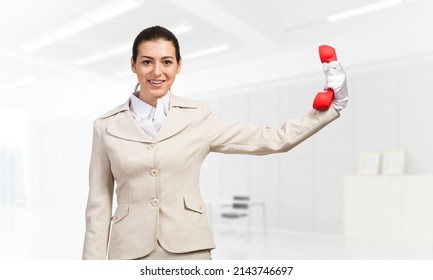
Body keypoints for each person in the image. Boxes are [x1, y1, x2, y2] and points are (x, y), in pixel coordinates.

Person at [82, 25, 348, 260]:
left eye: (166, 62)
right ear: (133, 65)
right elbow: (99, 204)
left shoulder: (197, 116)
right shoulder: (106, 125)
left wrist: (333, 106)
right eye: (147, 62)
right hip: (128, 251)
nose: (157, 72)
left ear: (178, 66)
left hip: (189, 249)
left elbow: (274, 139)